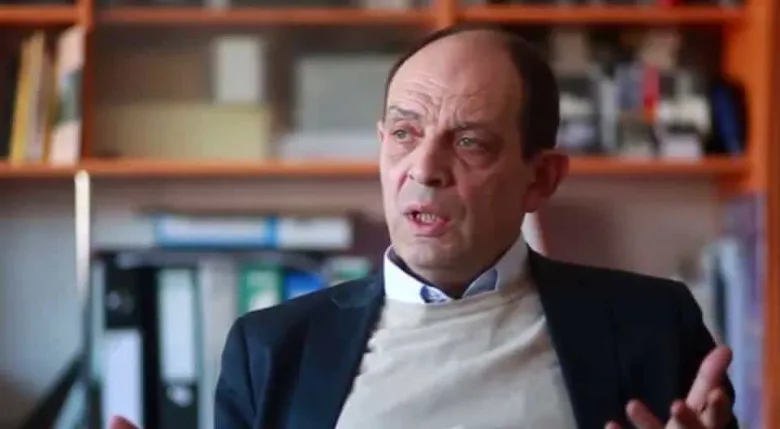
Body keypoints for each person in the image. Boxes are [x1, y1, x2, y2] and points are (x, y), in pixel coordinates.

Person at [111, 24, 737, 429]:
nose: (425, 169)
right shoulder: (272, 349)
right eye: (405, 134)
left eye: (469, 142)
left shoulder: (652, 326)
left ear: (541, 178)